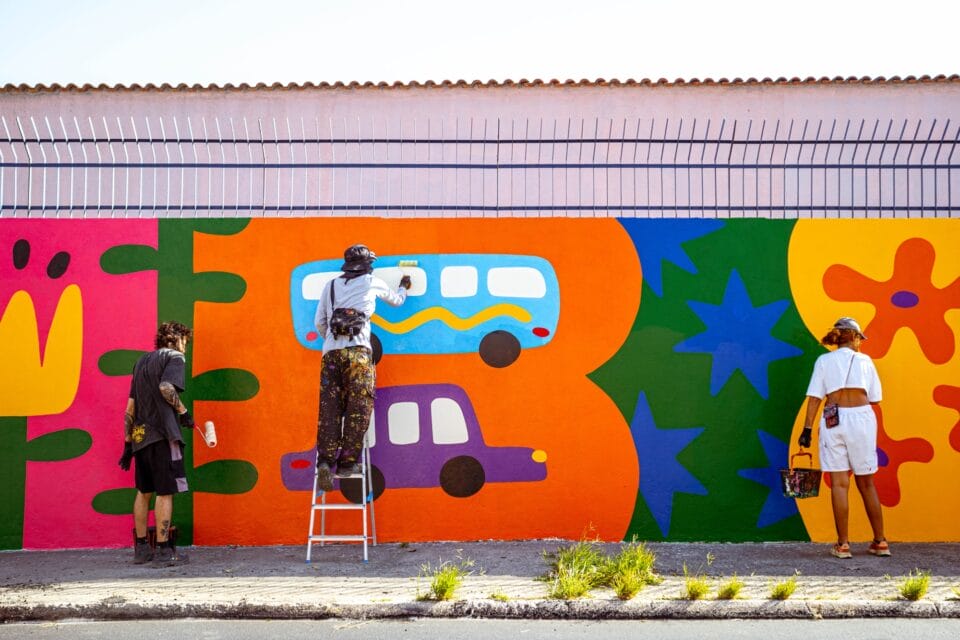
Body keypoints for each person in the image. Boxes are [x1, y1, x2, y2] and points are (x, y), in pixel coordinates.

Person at [313, 244, 411, 491]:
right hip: (358, 355)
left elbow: (320, 323)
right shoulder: (371, 281)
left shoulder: (331, 286)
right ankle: (347, 463)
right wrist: (404, 287)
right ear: (367, 264)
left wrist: (333, 342)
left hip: (331, 355)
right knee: (358, 408)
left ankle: (325, 463)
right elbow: (397, 302)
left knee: (330, 409)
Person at [798, 317, 890, 559]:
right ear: (856, 337)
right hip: (862, 419)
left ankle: (843, 545)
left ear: (838, 337)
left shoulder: (824, 361)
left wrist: (807, 429)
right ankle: (880, 542)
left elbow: (815, 397)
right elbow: (875, 397)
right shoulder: (866, 361)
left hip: (833, 419)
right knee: (866, 482)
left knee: (839, 483)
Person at [118, 321, 194, 566]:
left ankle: (141, 549)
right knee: (165, 492)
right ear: (178, 339)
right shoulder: (175, 357)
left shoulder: (140, 363)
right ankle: (163, 551)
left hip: (140, 437)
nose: (186, 348)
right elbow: (165, 387)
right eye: (186, 342)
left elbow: (130, 408)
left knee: (143, 492)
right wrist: (183, 412)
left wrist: (128, 442)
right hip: (163, 435)